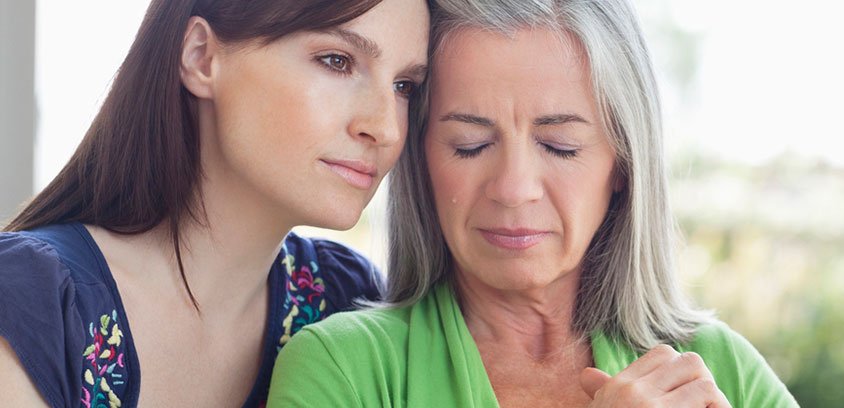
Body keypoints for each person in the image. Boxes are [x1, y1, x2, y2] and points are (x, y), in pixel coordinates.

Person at [267, 0, 797, 406]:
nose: (514, 187)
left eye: (559, 146)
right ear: (422, 158)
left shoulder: (719, 367)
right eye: (470, 145)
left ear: (622, 165)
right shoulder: (341, 369)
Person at [0, 0, 428, 406]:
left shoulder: (347, 301)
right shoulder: (33, 304)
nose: (386, 127)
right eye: (337, 60)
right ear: (201, 56)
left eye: (405, 86)